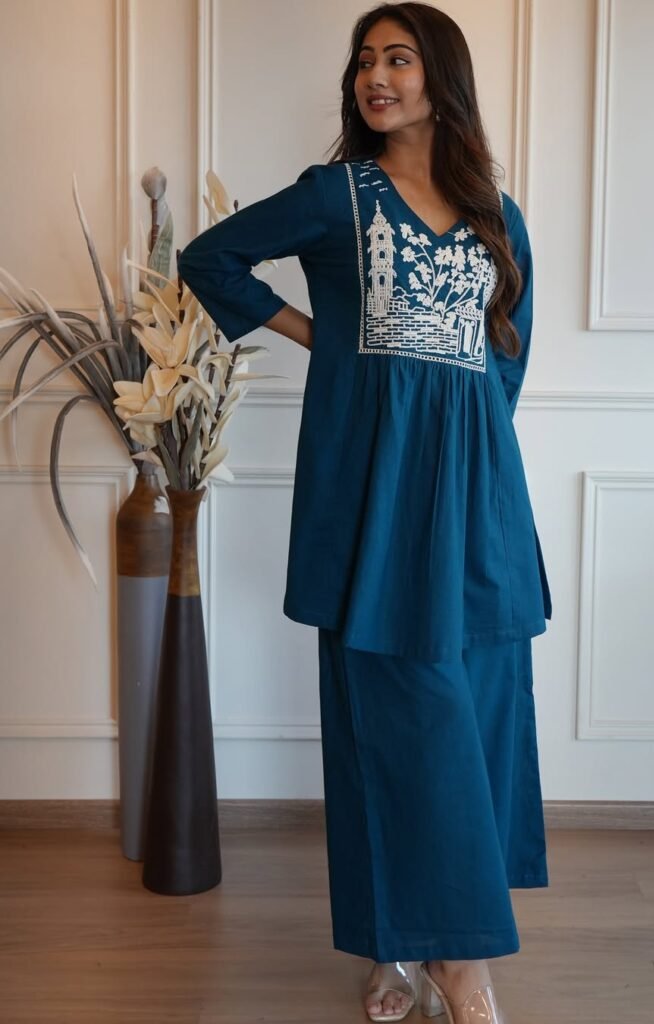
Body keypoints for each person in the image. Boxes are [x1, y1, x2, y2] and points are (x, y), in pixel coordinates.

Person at [177, 4, 553, 1022]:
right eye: (364, 62)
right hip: (373, 506)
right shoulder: (335, 195)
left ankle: (421, 947)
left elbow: (504, 359)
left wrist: (473, 469)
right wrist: (324, 337)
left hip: (478, 506)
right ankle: (445, 964)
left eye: (398, 59)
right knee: (391, 725)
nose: (374, 77)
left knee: (476, 719)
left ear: (441, 78)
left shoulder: (496, 214)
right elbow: (209, 259)